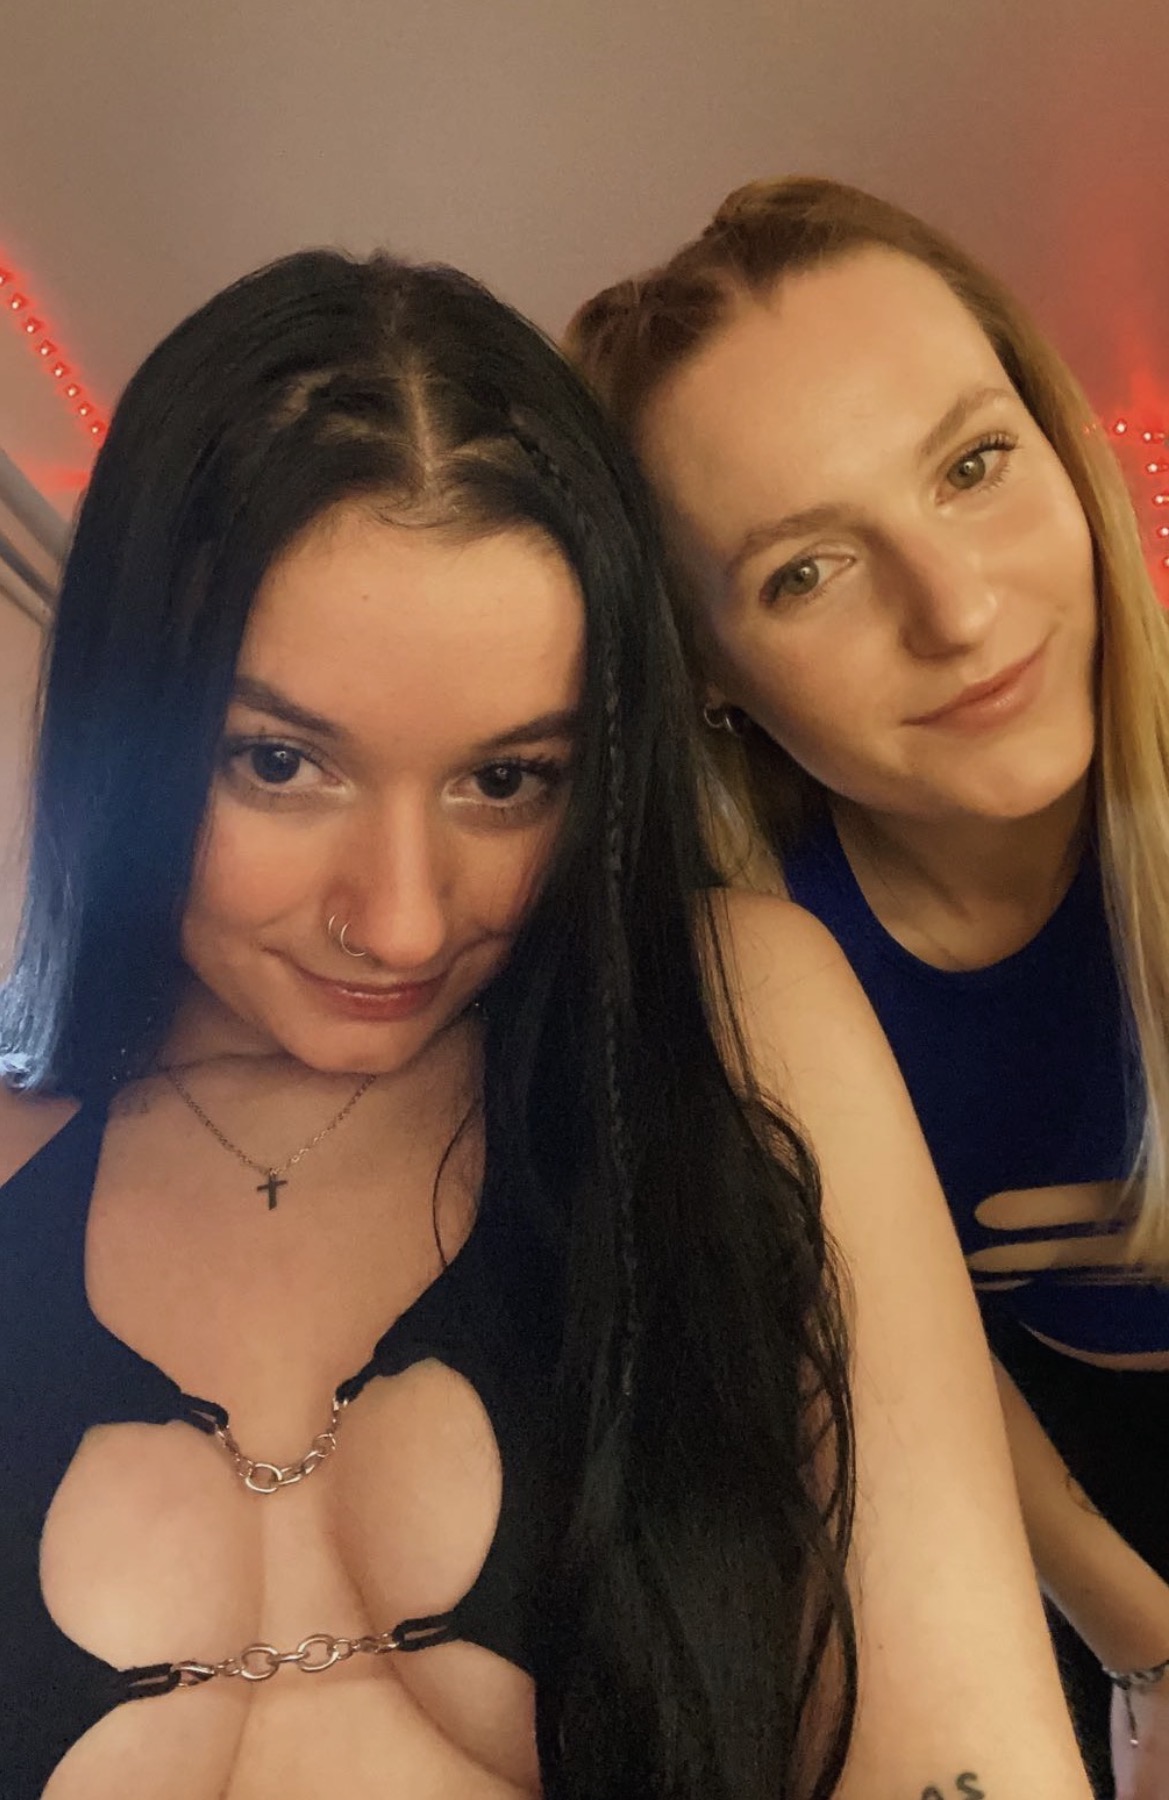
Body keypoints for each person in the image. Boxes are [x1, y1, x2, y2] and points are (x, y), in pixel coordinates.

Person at [0, 247, 1091, 1800]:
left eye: (505, 780)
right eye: (278, 765)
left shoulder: (730, 1026)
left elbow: (966, 1751)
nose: (401, 921)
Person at [568, 175, 1169, 1797]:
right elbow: (920, 1390)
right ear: (703, 671)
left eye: (971, 465)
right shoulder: (750, 965)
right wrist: (1143, 1645)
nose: (957, 614)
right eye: (804, 572)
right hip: (1033, 1495)